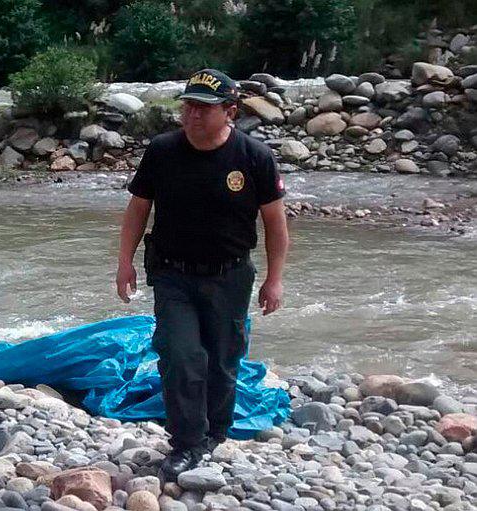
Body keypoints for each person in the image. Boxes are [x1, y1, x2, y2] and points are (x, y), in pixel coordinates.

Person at [115, 69, 290, 481]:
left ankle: (215, 432)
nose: (192, 115)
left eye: (203, 108)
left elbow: (276, 225)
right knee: (180, 354)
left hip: (229, 275)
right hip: (173, 274)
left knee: (223, 359)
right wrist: (124, 262)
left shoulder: (253, 158)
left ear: (230, 111)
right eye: (188, 106)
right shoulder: (162, 151)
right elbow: (138, 208)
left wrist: (275, 279)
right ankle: (187, 442)